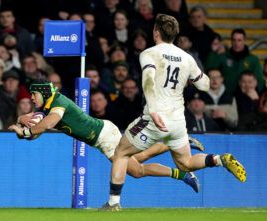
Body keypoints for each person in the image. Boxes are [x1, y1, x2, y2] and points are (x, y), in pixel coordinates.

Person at [101, 14, 246, 211]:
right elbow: (205, 85)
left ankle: (113, 203)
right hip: (178, 122)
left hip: (155, 118)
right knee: (185, 164)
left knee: (121, 152)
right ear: (176, 34)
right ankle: (220, 159)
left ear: (156, 32)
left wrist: (152, 110)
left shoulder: (149, 53)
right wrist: (189, 76)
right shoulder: (187, 58)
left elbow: (148, 80)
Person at [8, 80, 204, 196]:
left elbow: (48, 125)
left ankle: (184, 174)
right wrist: (21, 126)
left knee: (137, 171)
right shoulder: (46, 108)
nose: (32, 98)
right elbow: (37, 133)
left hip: (103, 136)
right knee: (139, 159)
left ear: (42, 92)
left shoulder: (58, 103)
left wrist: (26, 130)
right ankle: (178, 145)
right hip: (104, 133)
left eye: (33, 94)